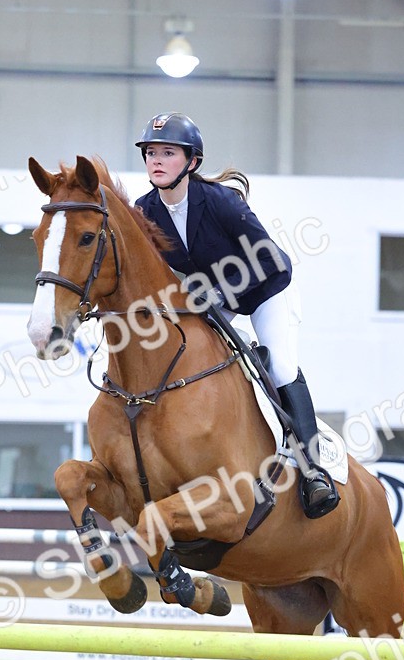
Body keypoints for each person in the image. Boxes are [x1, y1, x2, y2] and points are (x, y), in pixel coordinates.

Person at [134, 111, 339, 519]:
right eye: (151, 152)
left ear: (191, 162)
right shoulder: (146, 211)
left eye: (168, 153)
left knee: (279, 366)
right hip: (212, 299)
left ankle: (315, 471)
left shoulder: (220, 202)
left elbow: (272, 260)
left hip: (266, 290)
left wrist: (218, 292)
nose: (156, 160)